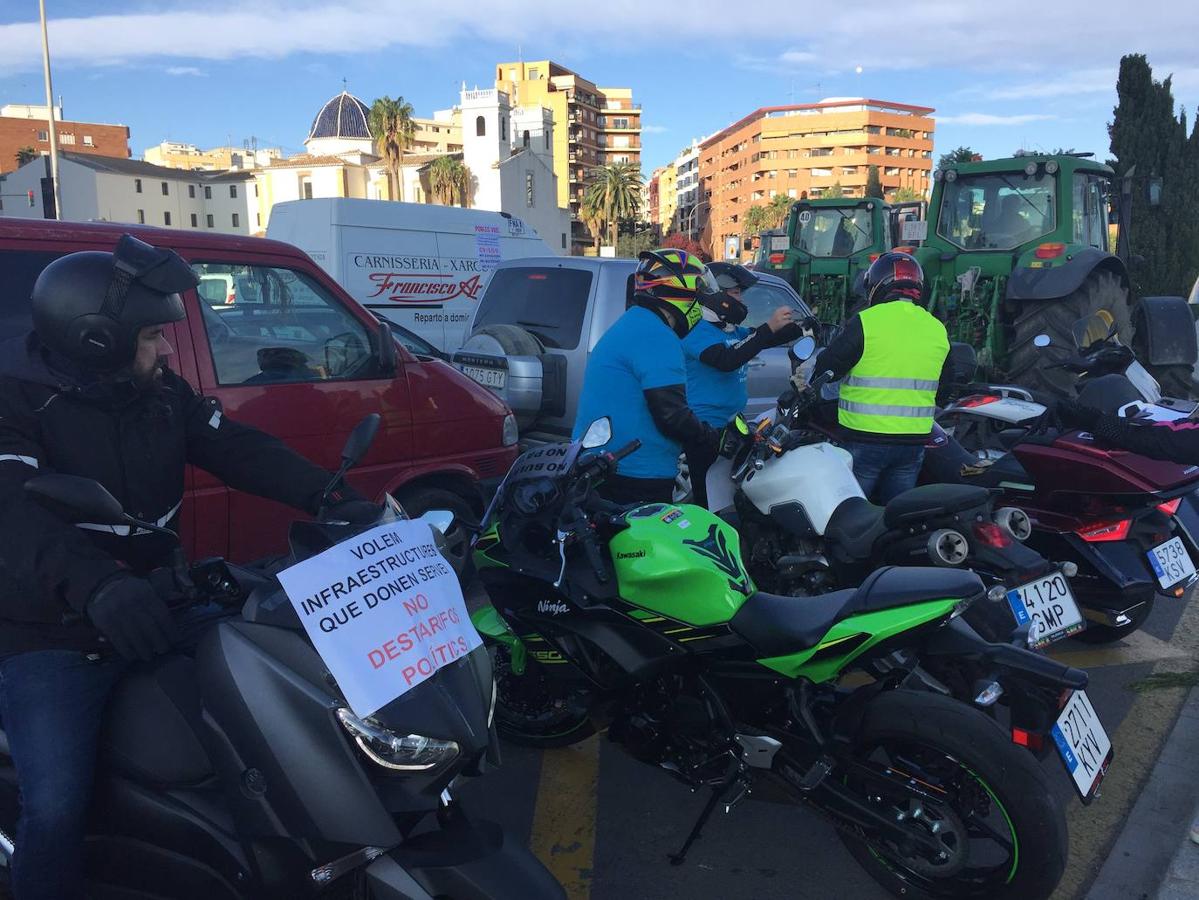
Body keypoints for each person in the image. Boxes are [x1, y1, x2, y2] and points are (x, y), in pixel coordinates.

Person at [0, 235, 378, 900]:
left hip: (157, 601)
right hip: (52, 632)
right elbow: (13, 516)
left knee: (286, 689)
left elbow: (234, 445)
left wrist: (330, 496)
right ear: (97, 340)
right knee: (56, 805)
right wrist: (98, 586)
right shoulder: (16, 402)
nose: (169, 349)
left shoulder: (155, 391)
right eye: (153, 335)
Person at [572, 249, 721, 506]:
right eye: (698, 296)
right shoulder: (658, 336)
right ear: (682, 296)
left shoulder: (631, 323)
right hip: (635, 474)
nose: (700, 305)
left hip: (601, 465)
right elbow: (671, 414)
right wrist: (707, 436)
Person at [808, 251, 950, 504]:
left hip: (865, 439)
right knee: (899, 515)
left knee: (852, 514)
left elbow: (828, 367)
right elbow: (945, 386)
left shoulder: (866, 322)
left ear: (877, 286)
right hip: (914, 442)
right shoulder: (937, 328)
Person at [681, 262, 805, 507]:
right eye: (736, 293)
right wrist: (768, 327)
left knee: (730, 495)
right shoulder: (697, 332)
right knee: (708, 500)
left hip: (732, 425)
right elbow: (726, 360)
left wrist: (800, 329)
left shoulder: (731, 331)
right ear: (716, 295)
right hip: (705, 429)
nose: (741, 300)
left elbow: (761, 338)